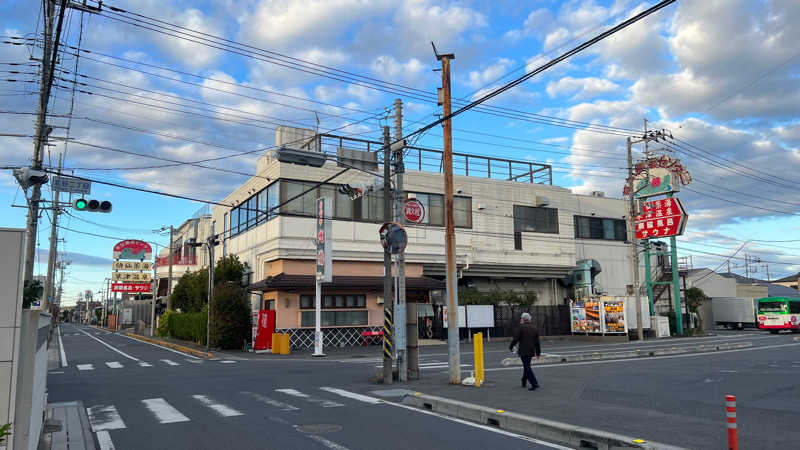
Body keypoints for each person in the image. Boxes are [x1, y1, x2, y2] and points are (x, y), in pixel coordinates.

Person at [509, 312, 541, 391]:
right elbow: (537, 342)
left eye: (521, 318)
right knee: (527, 366)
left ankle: (534, 383)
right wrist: (538, 353)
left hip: (523, 350)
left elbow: (515, 339)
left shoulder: (521, 327)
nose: (520, 320)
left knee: (527, 367)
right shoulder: (534, 328)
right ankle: (524, 380)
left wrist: (511, 346)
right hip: (531, 350)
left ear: (523, 319)